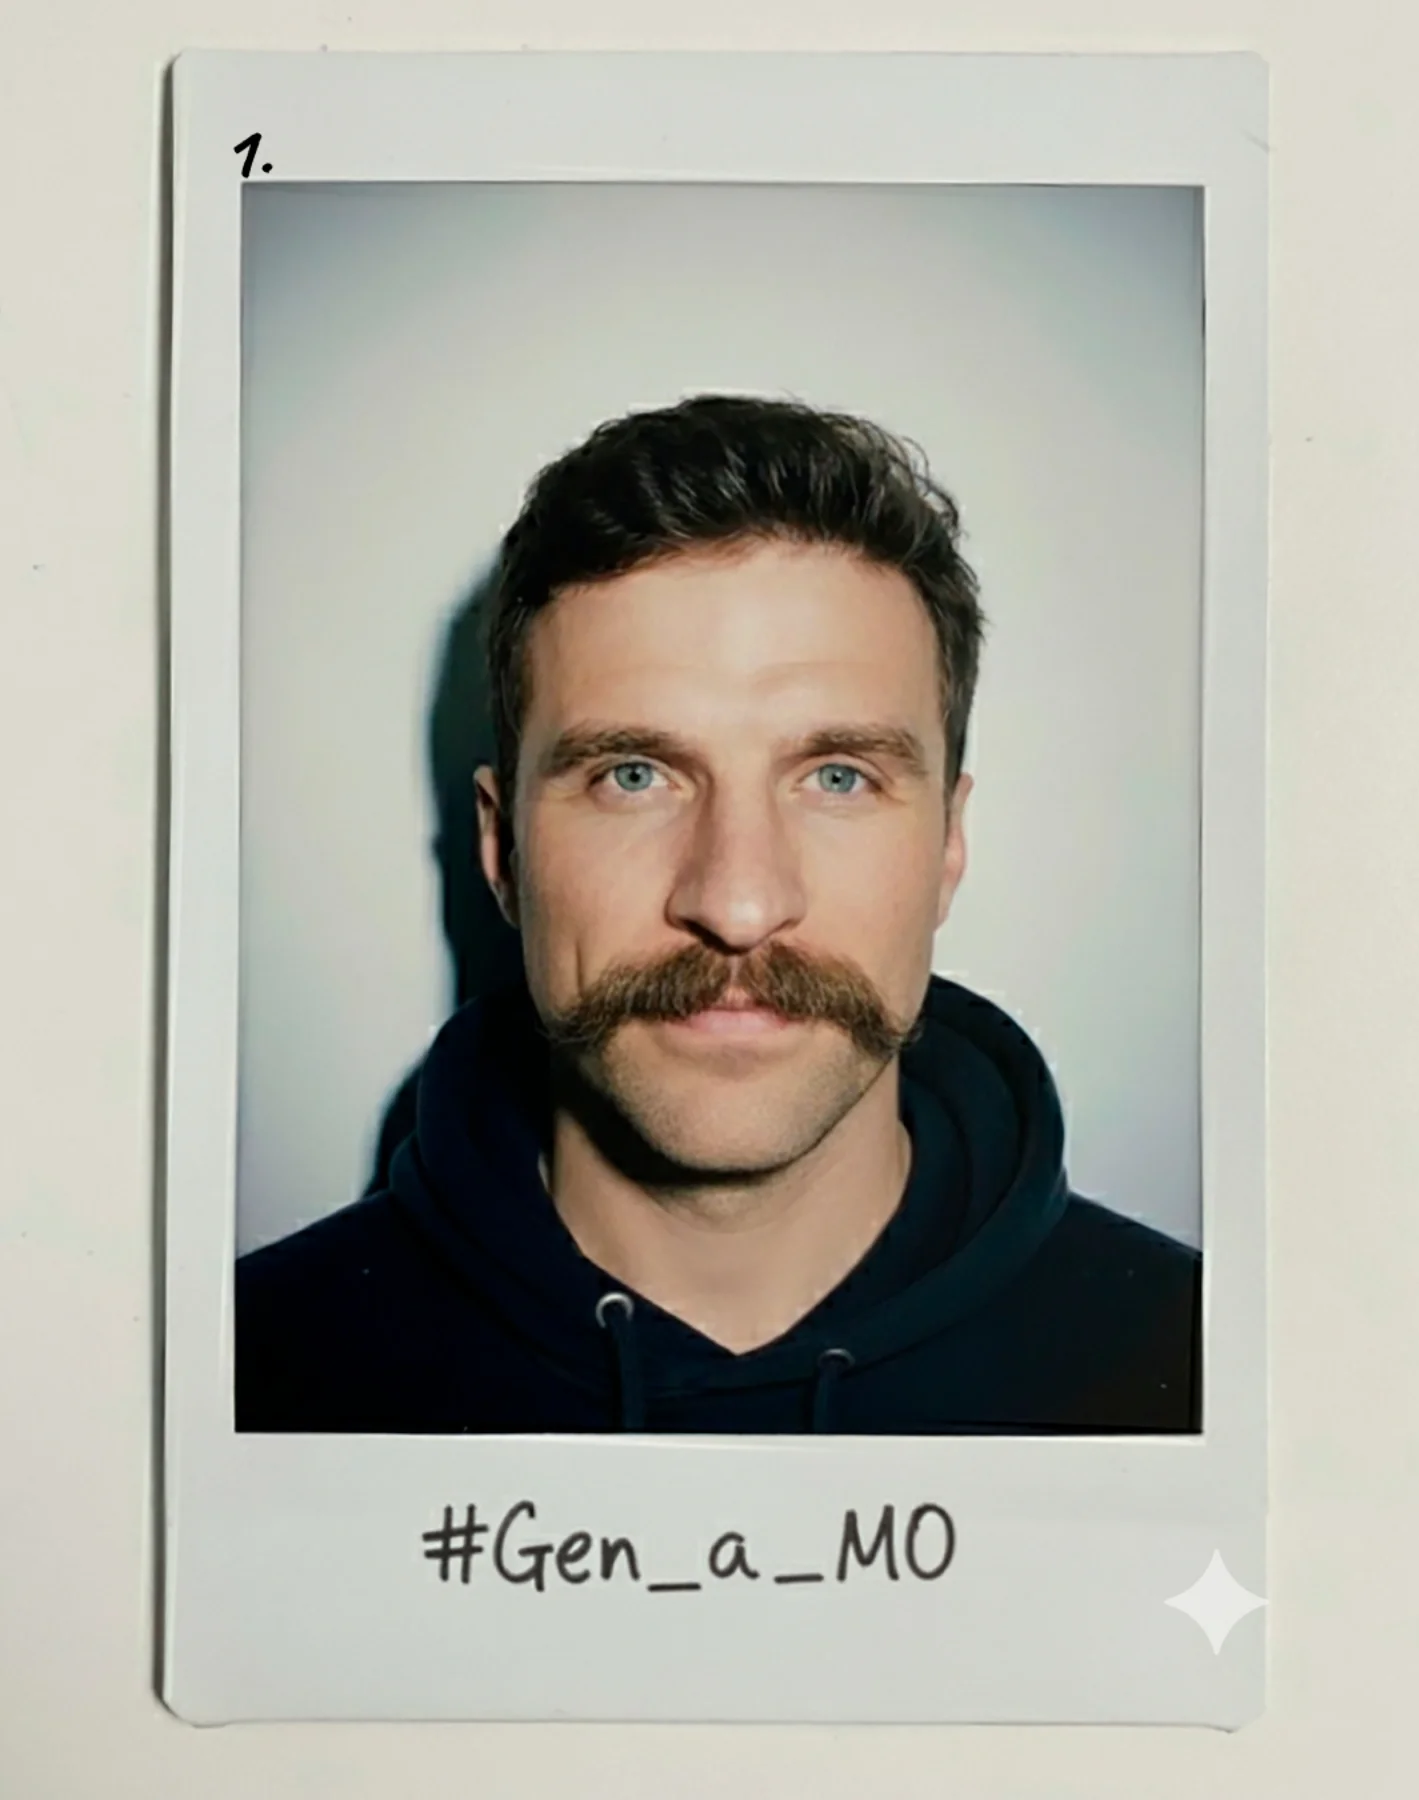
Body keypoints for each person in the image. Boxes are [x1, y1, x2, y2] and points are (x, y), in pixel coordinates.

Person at [235, 393, 1200, 1435]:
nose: (738, 906)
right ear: (502, 849)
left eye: (837, 777)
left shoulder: (1208, 1376)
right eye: (634, 775)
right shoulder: (237, 1378)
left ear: (948, 846)